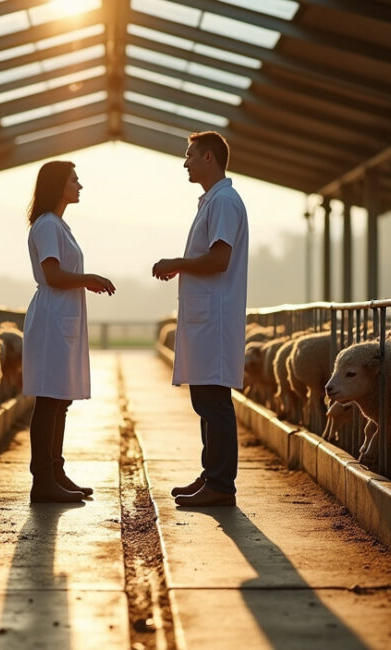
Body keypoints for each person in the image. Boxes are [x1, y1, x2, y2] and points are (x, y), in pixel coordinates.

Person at [152, 131, 249, 508]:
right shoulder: (213, 200)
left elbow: (219, 259)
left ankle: (222, 484)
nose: (185, 162)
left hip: (216, 318)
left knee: (214, 402)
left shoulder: (224, 201)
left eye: (190, 155)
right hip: (206, 317)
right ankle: (212, 475)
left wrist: (176, 263)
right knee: (205, 401)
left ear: (209, 157)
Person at [22, 161, 116, 503]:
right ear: (57, 185)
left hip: (63, 316)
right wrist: (88, 278)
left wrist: (84, 280)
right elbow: (53, 274)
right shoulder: (48, 225)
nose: (79, 185)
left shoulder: (59, 225)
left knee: (60, 399)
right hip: (52, 318)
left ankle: (56, 471)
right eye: (74, 179)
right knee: (49, 399)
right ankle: (42, 479)